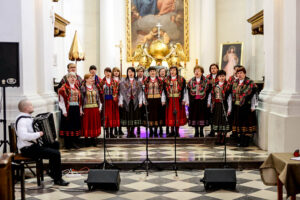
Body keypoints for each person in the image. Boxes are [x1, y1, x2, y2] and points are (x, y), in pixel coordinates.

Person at [16, 99, 69, 186]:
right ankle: (58, 179)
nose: (33, 106)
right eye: (31, 105)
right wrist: (38, 134)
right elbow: (23, 136)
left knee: (55, 144)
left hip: (33, 145)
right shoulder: (22, 120)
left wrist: (42, 137)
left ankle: (52, 171)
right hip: (27, 149)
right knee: (55, 154)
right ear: (25, 108)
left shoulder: (28, 118)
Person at [229, 66, 257, 147]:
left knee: (246, 125)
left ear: (244, 73)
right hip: (237, 107)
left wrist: (253, 106)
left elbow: (253, 95)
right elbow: (232, 95)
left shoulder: (250, 83)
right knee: (240, 124)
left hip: (246, 107)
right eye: (238, 73)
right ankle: (241, 141)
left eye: (241, 73)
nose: (240, 74)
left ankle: (246, 141)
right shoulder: (235, 83)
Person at [58, 72, 82, 149]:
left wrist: (80, 109)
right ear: (67, 78)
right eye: (70, 77)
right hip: (68, 109)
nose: (72, 78)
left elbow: (79, 100)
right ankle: (68, 144)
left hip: (76, 108)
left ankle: (74, 142)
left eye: (74, 77)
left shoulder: (77, 87)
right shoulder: (63, 88)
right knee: (68, 126)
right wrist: (64, 111)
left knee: (75, 125)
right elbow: (61, 101)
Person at [207, 70, 232, 145]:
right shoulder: (215, 86)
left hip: (224, 105)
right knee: (217, 120)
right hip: (217, 105)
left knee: (223, 120)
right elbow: (211, 96)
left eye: (223, 76)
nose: (222, 78)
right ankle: (218, 136)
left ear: (225, 76)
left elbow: (229, 98)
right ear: (218, 77)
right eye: (220, 76)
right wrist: (210, 104)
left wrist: (229, 108)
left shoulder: (228, 86)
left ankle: (223, 136)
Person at [162, 66, 187, 137]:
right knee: (170, 115)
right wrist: (163, 100)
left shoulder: (181, 79)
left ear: (176, 71)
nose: (172, 72)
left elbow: (184, 91)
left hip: (178, 100)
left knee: (177, 115)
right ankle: (171, 131)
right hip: (169, 100)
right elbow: (164, 91)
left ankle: (177, 131)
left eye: (174, 70)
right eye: (171, 70)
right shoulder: (166, 80)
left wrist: (184, 99)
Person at [119, 67, 143, 138]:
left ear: (134, 73)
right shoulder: (123, 82)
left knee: (134, 117)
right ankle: (128, 131)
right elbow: (121, 93)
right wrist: (120, 101)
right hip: (127, 102)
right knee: (128, 117)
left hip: (135, 101)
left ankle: (133, 131)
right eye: (129, 72)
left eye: (132, 72)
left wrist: (140, 101)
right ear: (127, 73)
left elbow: (140, 93)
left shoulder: (138, 82)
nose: (131, 73)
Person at [186, 65, 209, 137]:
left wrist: (208, 102)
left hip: (203, 101)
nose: (197, 72)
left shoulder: (206, 81)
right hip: (194, 102)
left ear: (202, 72)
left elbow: (209, 93)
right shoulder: (190, 81)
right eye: (195, 71)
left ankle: (201, 131)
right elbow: (187, 92)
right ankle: (196, 131)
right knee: (195, 116)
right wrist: (188, 101)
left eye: (198, 71)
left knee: (202, 116)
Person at [81, 74, 102, 146]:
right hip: (87, 109)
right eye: (90, 78)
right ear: (86, 79)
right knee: (87, 124)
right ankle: (87, 141)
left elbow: (98, 98)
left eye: (92, 78)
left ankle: (93, 140)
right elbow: (81, 99)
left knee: (94, 124)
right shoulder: (83, 88)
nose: (91, 80)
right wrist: (81, 109)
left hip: (95, 108)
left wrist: (99, 107)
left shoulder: (95, 87)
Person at [99, 68, 120, 138]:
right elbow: (100, 92)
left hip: (112, 102)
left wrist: (115, 98)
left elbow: (117, 92)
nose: (108, 73)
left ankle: (111, 132)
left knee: (112, 117)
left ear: (111, 73)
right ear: (104, 73)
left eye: (109, 72)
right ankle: (107, 133)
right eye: (106, 72)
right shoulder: (101, 82)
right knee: (106, 117)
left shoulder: (115, 82)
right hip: (105, 102)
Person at [143, 67, 164, 137]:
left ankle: (156, 130)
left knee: (157, 115)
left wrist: (162, 100)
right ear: (149, 72)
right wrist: (144, 100)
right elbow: (143, 91)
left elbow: (162, 90)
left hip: (158, 99)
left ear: (156, 72)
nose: (152, 72)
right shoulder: (146, 80)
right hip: (149, 100)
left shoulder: (160, 80)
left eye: (154, 71)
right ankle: (151, 130)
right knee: (150, 116)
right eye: (151, 71)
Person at [206, 64, 219, 137]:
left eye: (214, 68)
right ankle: (212, 130)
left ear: (217, 69)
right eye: (212, 68)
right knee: (211, 115)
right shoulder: (208, 77)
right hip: (210, 98)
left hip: (218, 98)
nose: (213, 69)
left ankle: (219, 131)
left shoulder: (220, 76)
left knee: (218, 114)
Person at [112, 67, 124, 136]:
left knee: (120, 115)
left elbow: (122, 91)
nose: (116, 72)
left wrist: (121, 101)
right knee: (114, 115)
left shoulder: (121, 80)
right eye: (115, 71)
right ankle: (115, 129)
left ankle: (120, 129)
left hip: (120, 99)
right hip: (113, 100)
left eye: (117, 71)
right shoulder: (111, 80)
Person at [136, 66, 147, 137]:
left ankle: (146, 126)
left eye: (141, 71)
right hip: (136, 99)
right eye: (139, 71)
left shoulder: (146, 79)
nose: (140, 73)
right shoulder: (134, 79)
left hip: (145, 98)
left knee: (144, 113)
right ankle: (138, 128)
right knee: (137, 114)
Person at [158, 67, 168, 136]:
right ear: (159, 72)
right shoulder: (157, 80)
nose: (162, 72)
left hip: (167, 99)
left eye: (163, 71)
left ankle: (167, 129)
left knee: (166, 114)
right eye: (161, 71)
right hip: (158, 99)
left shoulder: (167, 80)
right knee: (160, 115)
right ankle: (160, 129)